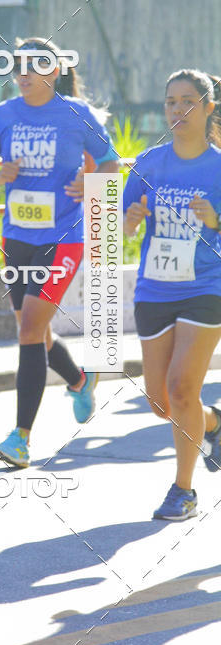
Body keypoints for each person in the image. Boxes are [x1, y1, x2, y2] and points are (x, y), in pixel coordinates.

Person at [0, 37, 119, 468]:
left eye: (36, 65)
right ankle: (79, 379)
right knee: (33, 328)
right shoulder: (2, 116)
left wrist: (89, 187)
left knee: (29, 331)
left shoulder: (78, 115)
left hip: (64, 237)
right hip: (16, 237)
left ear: (55, 72)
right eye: (19, 64)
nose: (24, 72)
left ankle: (20, 439)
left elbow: (110, 163)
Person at [123, 69, 221, 521]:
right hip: (155, 289)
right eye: (170, 102)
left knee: (184, 388)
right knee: (162, 402)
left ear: (208, 107)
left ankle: (183, 491)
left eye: (188, 101)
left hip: (207, 288)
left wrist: (216, 222)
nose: (178, 110)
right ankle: (215, 422)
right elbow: (117, 228)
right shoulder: (148, 163)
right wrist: (133, 219)